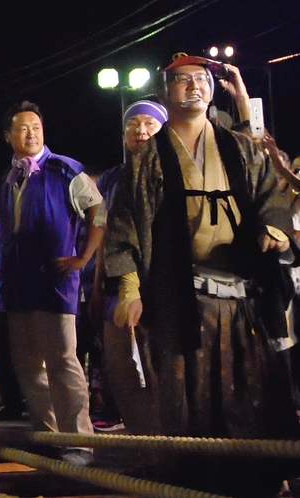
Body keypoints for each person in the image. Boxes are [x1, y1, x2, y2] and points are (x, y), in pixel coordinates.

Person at [104, 54, 300, 495]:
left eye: (200, 80)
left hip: (242, 299)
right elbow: (126, 226)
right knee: (186, 402)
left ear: (212, 90)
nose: (193, 87)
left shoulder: (243, 148)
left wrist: (274, 229)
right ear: (165, 91)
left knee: (247, 396)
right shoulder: (146, 158)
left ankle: (255, 482)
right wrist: (130, 289)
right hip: (180, 298)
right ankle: (193, 483)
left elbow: (272, 198)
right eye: (182, 81)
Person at [0, 101, 103, 465]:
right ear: (8, 136)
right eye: (23, 128)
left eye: (36, 128)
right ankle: (47, 433)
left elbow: (98, 212)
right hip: (18, 285)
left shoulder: (65, 170)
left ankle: (79, 441)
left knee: (63, 362)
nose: (31, 133)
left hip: (56, 284)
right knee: (27, 365)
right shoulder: (9, 178)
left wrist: (83, 258)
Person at [91, 99, 168, 435]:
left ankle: (172, 447)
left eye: (150, 124)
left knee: (159, 370)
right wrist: (94, 287)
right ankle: (144, 443)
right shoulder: (110, 178)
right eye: (133, 124)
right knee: (119, 368)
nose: (141, 131)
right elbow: (105, 235)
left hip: (160, 285)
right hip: (114, 285)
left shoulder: (175, 172)